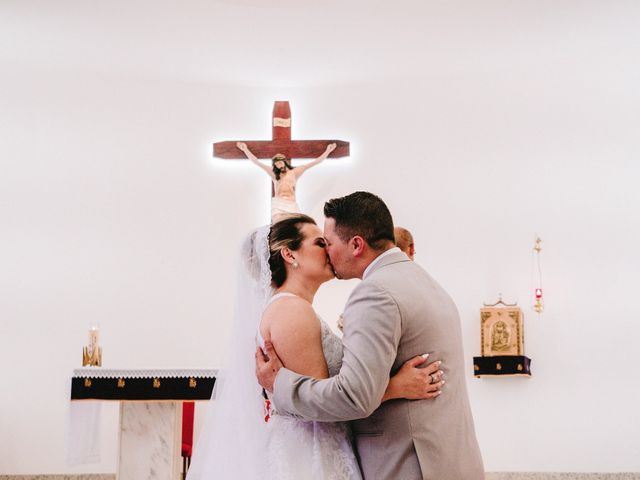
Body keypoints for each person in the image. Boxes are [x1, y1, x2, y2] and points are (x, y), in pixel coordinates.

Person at [187, 215, 443, 480]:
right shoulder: (291, 311)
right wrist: (395, 387)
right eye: (320, 242)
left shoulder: (293, 307)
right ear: (289, 254)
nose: (330, 249)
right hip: (310, 457)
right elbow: (322, 405)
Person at [257, 192, 485, 480]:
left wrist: (280, 385)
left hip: (410, 464)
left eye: (328, 243)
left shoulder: (375, 293)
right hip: (444, 458)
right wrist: (392, 386)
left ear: (356, 244)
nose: (327, 252)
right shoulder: (424, 282)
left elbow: (354, 396)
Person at [237, 142, 336, 221]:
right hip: (278, 204)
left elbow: (315, 162)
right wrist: (245, 149)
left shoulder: (294, 172)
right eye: (276, 164)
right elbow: (257, 162)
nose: (279, 165)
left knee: (296, 226)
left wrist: (328, 151)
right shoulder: (274, 174)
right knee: (278, 227)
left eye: (280, 162)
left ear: (284, 161)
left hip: (291, 203)